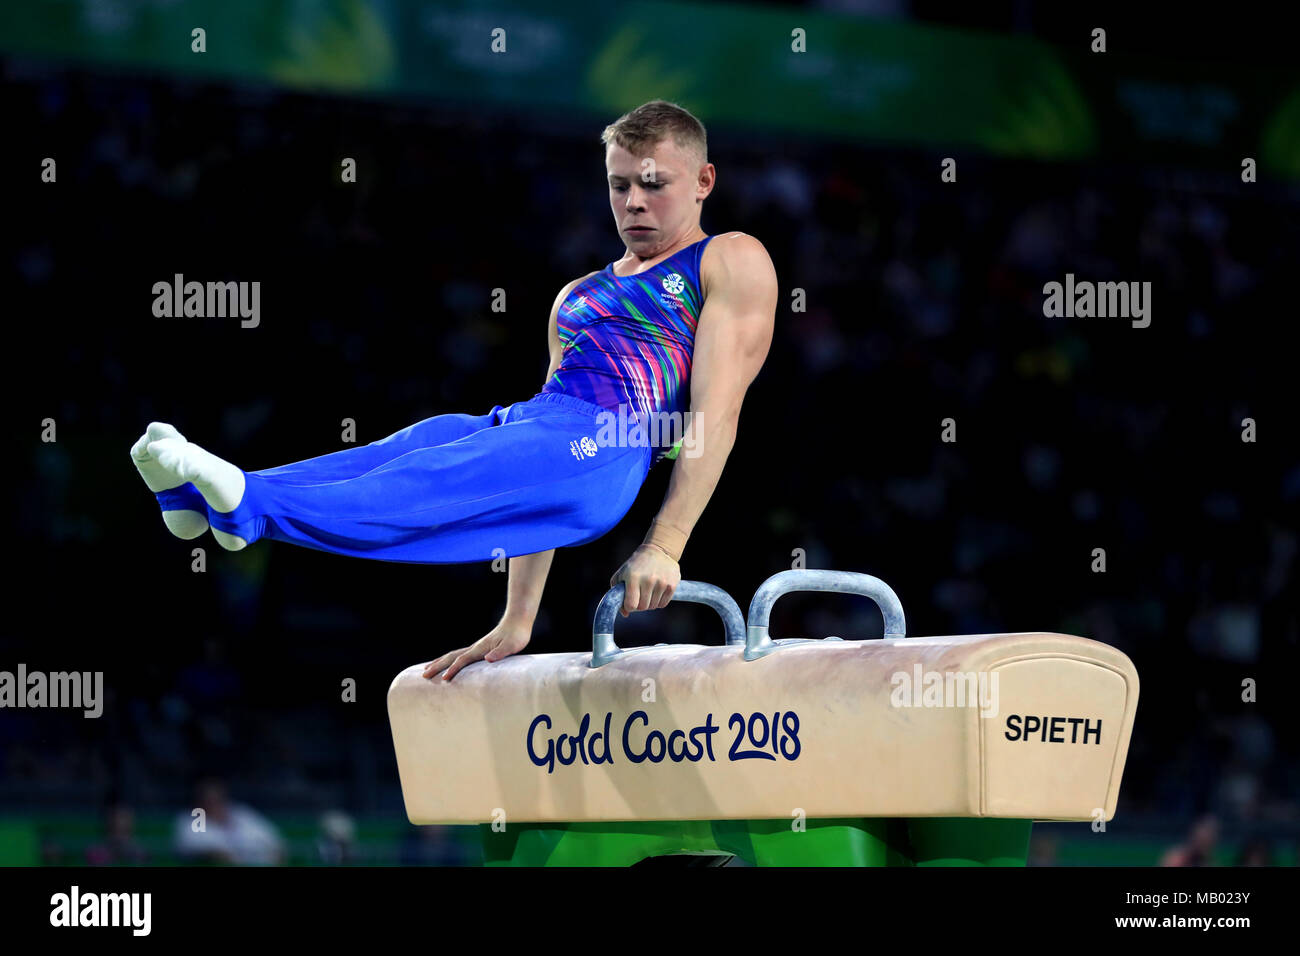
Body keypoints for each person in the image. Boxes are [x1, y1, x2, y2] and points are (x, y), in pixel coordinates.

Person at [130, 100, 777, 681]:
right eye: (618, 184)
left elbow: (715, 415)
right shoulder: (575, 296)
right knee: (414, 446)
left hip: (610, 447)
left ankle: (249, 508)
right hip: (539, 428)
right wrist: (518, 620)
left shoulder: (728, 259)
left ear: (703, 182)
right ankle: (208, 502)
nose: (633, 201)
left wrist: (665, 545)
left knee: (431, 481)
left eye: (653, 185)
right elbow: (531, 490)